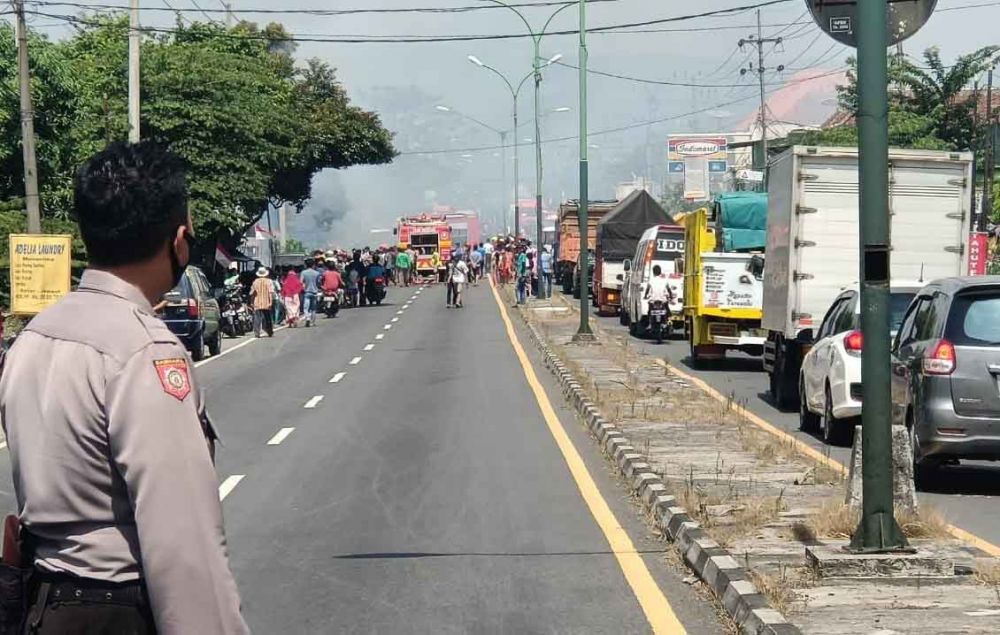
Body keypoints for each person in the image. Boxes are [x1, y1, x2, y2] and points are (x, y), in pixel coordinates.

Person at [0, 141, 248, 634]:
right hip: (116, 611)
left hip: (41, 607)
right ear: (179, 240)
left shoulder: (35, 336)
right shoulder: (145, 350)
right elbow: (181, 540)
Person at [250, 266, 275, 337]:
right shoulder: (269, 281)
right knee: (267, 318)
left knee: (257, 318)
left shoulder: (255, 282)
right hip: (266, 302)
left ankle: (257, 332)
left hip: (257, 302)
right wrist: (270, 302)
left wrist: (251, 302)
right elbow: (270, 292)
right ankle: (269, 331)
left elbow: (252, 293)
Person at [300, 258, 322, 326]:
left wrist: (304, 287)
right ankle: (313, 322)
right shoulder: (317, 273)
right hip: (315, 292)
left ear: (306, 265)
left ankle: (307, 318)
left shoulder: (303, 272)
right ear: (313, 265)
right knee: (313, 308)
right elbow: (319, 283)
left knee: (306, 308)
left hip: (307, 292)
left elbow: (301, 282)